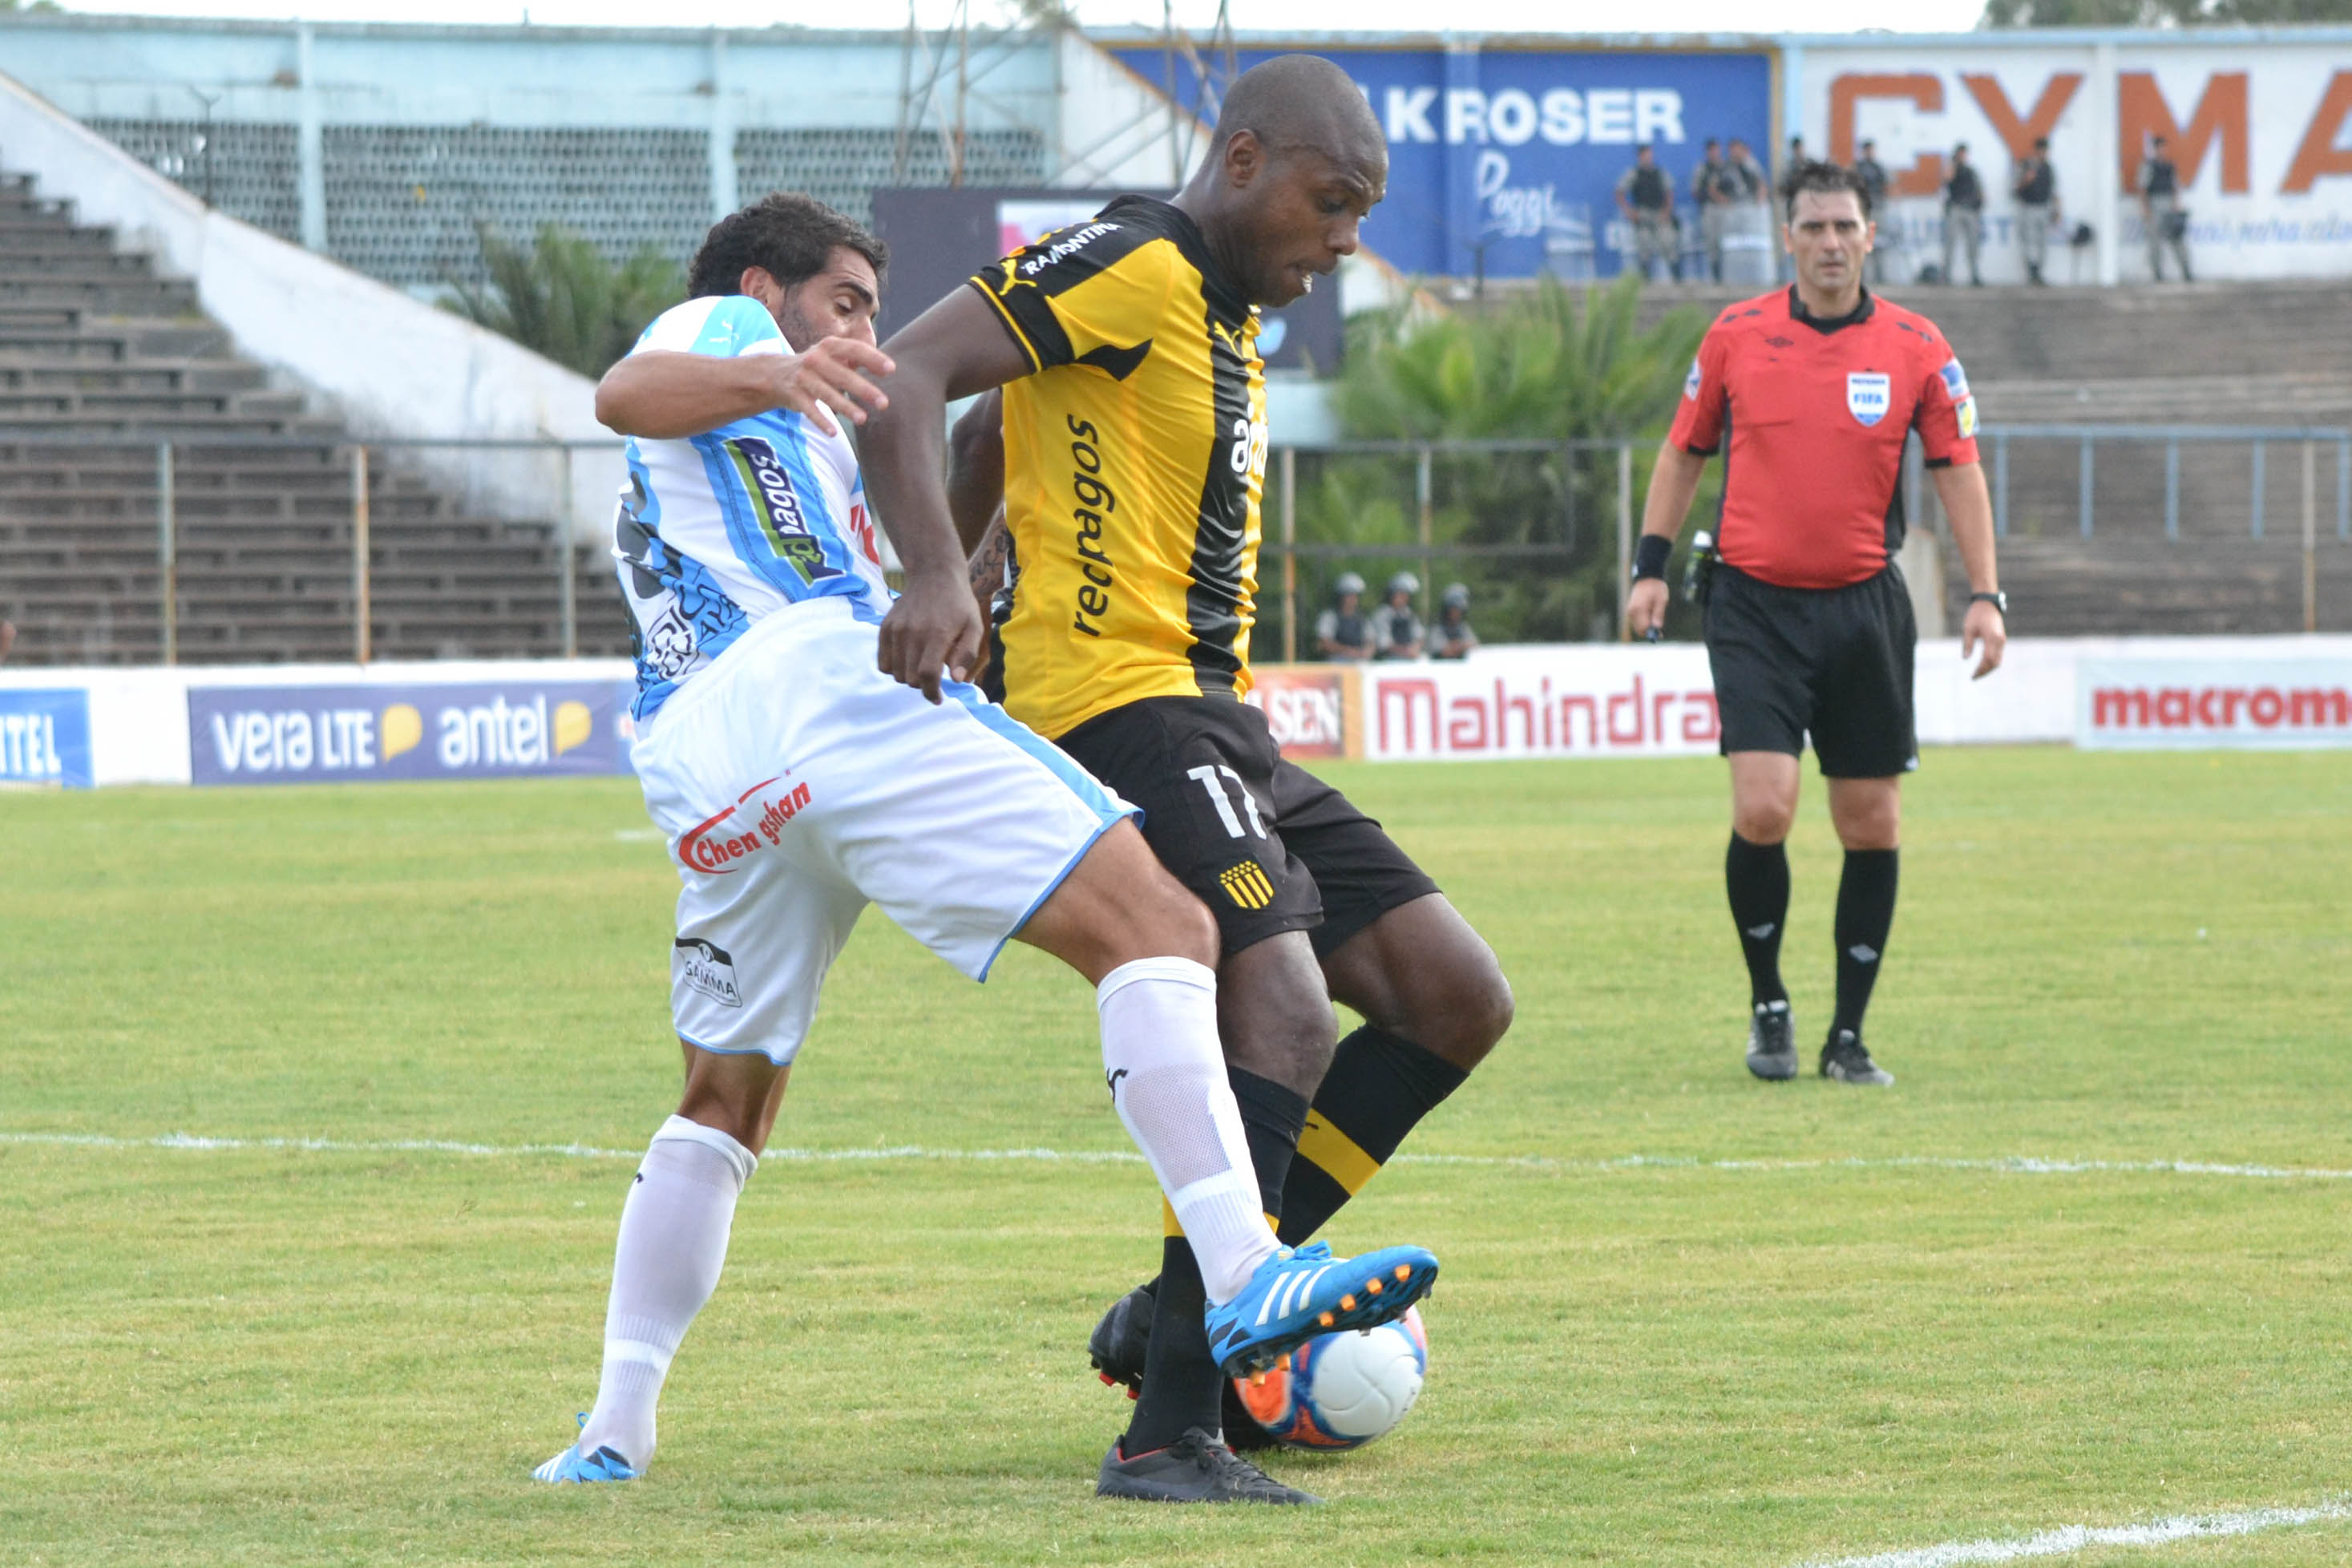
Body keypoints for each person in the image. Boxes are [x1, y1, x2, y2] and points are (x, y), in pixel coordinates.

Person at [531, 192, 1437, 1489]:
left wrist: (968, 529)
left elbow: (921, 496)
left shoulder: (803, 445)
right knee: (1165, 925)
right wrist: (780, 362)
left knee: (724, 1098)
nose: (862, 330)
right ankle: (1240, 1271)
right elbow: (624, 390)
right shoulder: (731, 324)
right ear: (762, 283)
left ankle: (612, 1432)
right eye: (843, 301)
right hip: (814, 690)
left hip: (704, 766)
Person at [860, 53, 1513, 1503]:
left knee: (1452, 996)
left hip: (1214, 719)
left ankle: (1186, 1307)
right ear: (1238, 161)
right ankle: (1173, 1424)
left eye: (1359, 216)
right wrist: (927, 577)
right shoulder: (1138, 258)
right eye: (1327, 203)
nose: (1342, 242)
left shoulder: (1217, 311)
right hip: (1119, 712)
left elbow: (986, 432)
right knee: (1271, 1002)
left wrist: (974, 564)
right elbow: (911, 374)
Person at [1627, 161, 2007, 1089]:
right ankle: (1769, 1006)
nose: (1830, 243)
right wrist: (1650, 568)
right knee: (1764, 807)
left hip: (1865, 608)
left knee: (1869, 822)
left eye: (1845, 226)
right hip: (1753, 604)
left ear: (1870, 235)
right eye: (1813, 227)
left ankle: (1848, 1037)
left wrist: (1986, 594)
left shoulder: (1917, 346)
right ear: (1786, 235)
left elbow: (1958, 469)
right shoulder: (1736, 336)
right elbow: (1684, 453)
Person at [1614, 143, 1676, 281]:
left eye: (1650, 154)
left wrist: (1667, 212)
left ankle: (1676, 279)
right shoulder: (1634, 173)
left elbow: (1669, 193)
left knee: (1668, 241)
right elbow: (1619, 192)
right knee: (1644, 244)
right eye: (1645, 155)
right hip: (1642, 214)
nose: (1648, 157)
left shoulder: (1660, 173)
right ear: (1639, 156)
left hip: (1659, 213)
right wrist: (1629, 212)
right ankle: (1646, 280)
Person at [2140, 134, 2192, 282]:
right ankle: (2157, 273)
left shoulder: (2170, 166)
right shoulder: (2148, 166)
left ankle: (2186, 270)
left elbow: (2175, 186)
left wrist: (2176, 205)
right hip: (2155, 204)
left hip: (2169, 205)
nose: (2163, 151)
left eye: (2164, 148)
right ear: (2155, 149)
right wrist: (2146, 209)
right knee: (2155, 242)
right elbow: (2143, 189)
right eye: (2160, 148)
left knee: (2177, 238)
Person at [2011, 135, 2060, 286]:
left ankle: (2039, 272)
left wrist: (2057, 209)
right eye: (2042, 150)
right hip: (2029, 207)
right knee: (2029, 241)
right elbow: (2015, 189)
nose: (2044, 154)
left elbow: (2054, 191)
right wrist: (2026, 180)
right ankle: (2031, 271)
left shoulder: (2048, 167)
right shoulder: (2026, 165)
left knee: (2042, 243)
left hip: (2044, 207)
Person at [1942, 143, 1984, 286]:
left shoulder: (1971, 171)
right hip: (1956, 208)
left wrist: (1980, 203)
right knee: (1950, 243)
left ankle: (1974, 274)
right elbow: (1947, 179)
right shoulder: (1952, 168)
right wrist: (1953, 164)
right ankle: (1946, 275)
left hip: (1970, 209)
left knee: (1972, 245)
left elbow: (1978, 189)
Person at [1853, 139, 1891, 284]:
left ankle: (1880, 274)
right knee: (1862, 242)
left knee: (1879, 242)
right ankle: (1862, 276)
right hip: (1863, 209)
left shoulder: (1878, 167)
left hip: (1878, 207)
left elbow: (1886, 185)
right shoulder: (1858, 167)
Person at [1315, 572, 1375, 662]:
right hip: (1336, 662)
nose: (1353, 599)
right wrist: (1348, 652)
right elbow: (1324, 643)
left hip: (1359, 662)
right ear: (1341, 596)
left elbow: (1371, 641)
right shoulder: (1329, 617)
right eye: (1349, 595)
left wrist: (1367, 652)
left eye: (1355, 595)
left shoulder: (1362, 619)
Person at [1692, 139, 1730, 281]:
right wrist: (1711, 193)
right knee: (1712, 243)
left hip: (1727, 209)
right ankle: (1716, 275)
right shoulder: (1703, 169)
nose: (1714, 153)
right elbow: (1695, 191)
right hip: (1710, 209)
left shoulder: (1726, 168)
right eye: (1711, 150)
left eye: (1716, 150)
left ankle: (1728, 274)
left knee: (1727, 243)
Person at [1372, 572, 1425, 659]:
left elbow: (1419, 636)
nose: (1404, 598)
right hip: (1388, 660)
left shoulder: (1409, 614)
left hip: (1409, 658)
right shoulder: (1382, 614)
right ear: (1392, 594)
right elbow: (1384, 644)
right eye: (1401, 594)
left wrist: (1415, 648)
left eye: (1406, 595)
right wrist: (1405, 652)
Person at [1432, 583, 1478, 659]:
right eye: (1454, 610)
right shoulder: (1437, 628)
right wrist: (1460, 646)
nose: (1457, 614)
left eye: (1459, 611)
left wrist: (1459, 646)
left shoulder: (1462, 627)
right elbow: (1444, 651)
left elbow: (1474, 644)